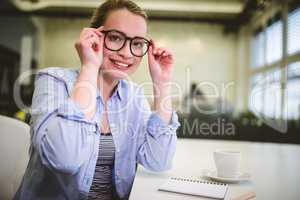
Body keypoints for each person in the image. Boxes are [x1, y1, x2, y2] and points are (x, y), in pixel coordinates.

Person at [14, 0, 180, 199]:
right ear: (94, 36)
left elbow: (158, 161)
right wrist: (89, 67)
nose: (127, 53)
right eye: (116, 38)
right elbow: (65, 159)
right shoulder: (53, 81)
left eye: (136, 43)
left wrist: (162, 84)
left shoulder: (134, 95)